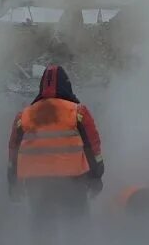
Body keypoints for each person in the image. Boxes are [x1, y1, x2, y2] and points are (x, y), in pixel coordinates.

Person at [8, 65, 105, 220]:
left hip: (37, 183)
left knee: (44, 229)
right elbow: (92, 147)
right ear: (66, 85)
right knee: (77, 227)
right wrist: (96, 177)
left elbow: (13, 150)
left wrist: (13, 181)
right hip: (73, 181)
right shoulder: (78, 112)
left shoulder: (24, 115)